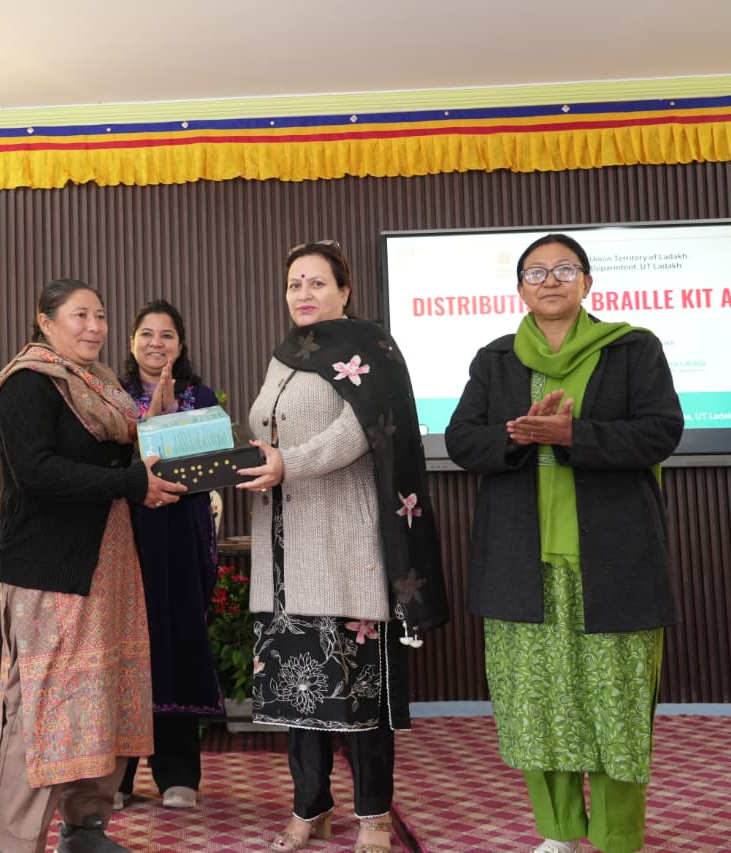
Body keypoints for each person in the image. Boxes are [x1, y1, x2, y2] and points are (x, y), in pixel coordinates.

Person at [445, 233, 683, 853]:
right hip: (522, 567)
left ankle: (616, 834)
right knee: (538, 709)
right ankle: (556, 833)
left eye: (564, 269)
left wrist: (576, 434)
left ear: (587, 282)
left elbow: (662, 431)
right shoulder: (495, 359)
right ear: (519, 287)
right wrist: (518, 436)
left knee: (617, 711)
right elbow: (461, 442)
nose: (550, 280)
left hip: (616, 563)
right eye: (536, 272)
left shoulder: (632, 349)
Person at [236, 239, 446, 853]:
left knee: (360, 697)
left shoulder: (369, 348)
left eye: (317, 282)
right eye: (294, 283)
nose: (303, 293)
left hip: (348, 549)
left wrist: (287, 463)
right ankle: (311, 809)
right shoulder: (284, 358)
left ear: (345, 290)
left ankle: (374, 817)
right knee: (298, 693)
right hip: (282, 554)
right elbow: (264, 436)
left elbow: (357, 432)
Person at [0, 278, 187, 853]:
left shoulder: (103, 388)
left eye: (99, 315)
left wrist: (159, 423)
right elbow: (38, 473)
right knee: (44, 708)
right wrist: (131, 480)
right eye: (79, 315)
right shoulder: (28, 384)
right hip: (52, 570)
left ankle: (86, 825)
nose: (94, 326)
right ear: (45, 322)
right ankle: (21, 841)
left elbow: (125, 463)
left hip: (109, 568)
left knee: (102, 698)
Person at [115, 299, 225, 810]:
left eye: (167, 335)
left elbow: (210, 469)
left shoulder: (200, 397)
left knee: (176, 648)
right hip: (126, 537)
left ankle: (178, 774)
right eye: (146, 334)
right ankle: (114, 779)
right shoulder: (111, 396)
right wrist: (147, 428)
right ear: (132, 342)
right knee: (123, 651)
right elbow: (108, 466)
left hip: (180, 537)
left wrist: (167, 427)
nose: (156, 343)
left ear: (181, 346)